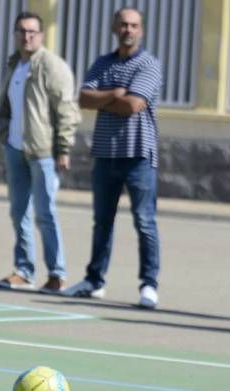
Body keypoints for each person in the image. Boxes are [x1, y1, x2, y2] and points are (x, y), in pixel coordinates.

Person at [64, 7, 162, 309]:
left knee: (144, 222)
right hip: (105, 155)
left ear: (141, 30)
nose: (128, 30)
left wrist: (106, 97)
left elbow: (132, 105)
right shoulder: (103, 63)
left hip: (138, 156)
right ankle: (94, 281)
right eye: (123, 24)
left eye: (133, 25)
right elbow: (82, 99)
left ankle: (149, 285)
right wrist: (116, 92)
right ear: (114, 28)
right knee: (102, 222)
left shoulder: (149, 64)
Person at [0, 11, 80, 293]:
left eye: (32, 31)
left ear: (40, 35)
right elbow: (6, 105)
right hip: (15, 148)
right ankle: (24, 271)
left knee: (45, 213)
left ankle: (57, 274)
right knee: (19, 212)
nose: (26, 36)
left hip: (43, 152)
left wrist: (63, 148)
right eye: (21, 31)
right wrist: (1, 132)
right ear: (15, 34)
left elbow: (67, 110)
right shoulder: (14, 64)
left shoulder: (52, 66)